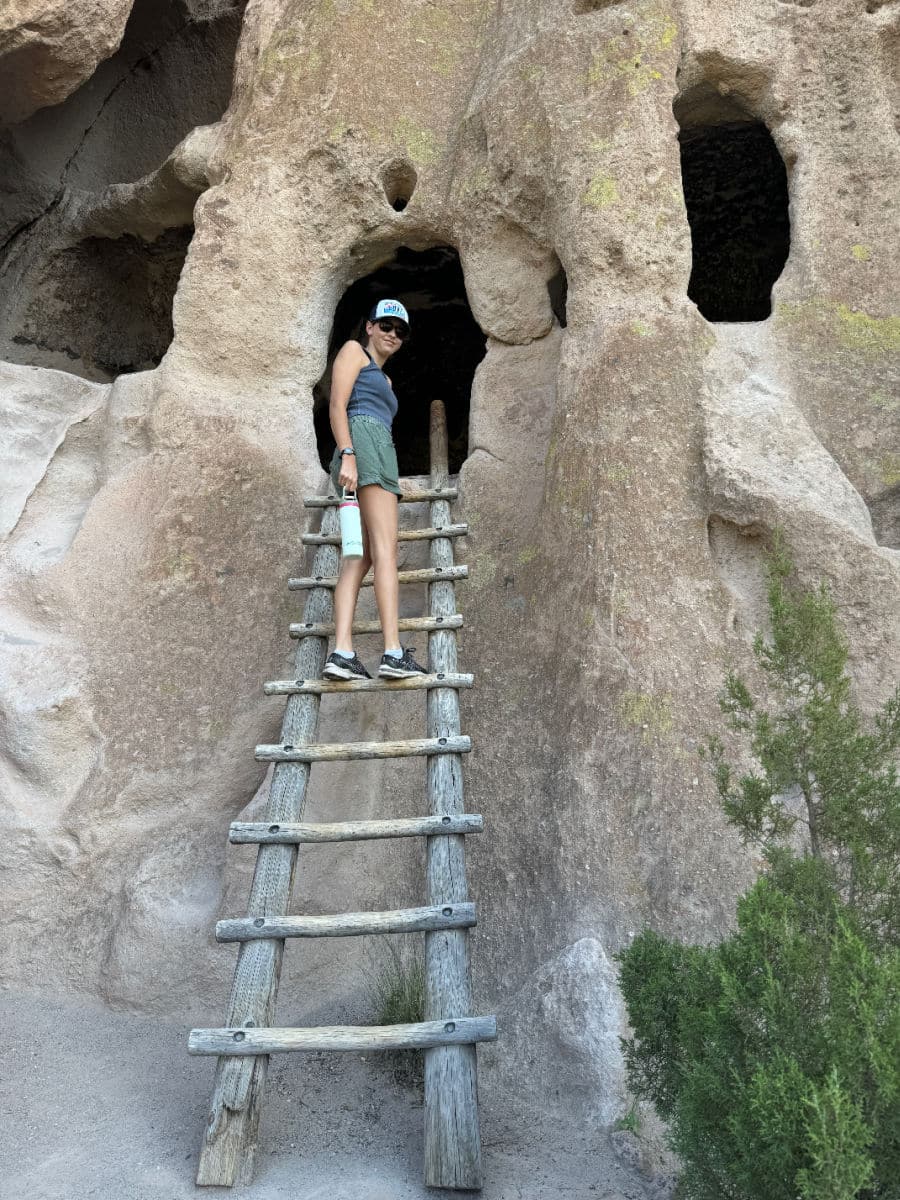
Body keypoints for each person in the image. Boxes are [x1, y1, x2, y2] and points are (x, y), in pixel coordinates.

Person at [322, 298, 428, 682]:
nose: (392, 335)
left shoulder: (384, 380)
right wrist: (349, 454)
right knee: (386, 550)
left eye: (400, 331)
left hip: (377, 448)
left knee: (361, 557)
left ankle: (343, 652)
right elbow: (337, 405)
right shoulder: (353, 352)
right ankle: (393, 652)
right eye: (386, 326)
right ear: (369, 327)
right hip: (363, 442)